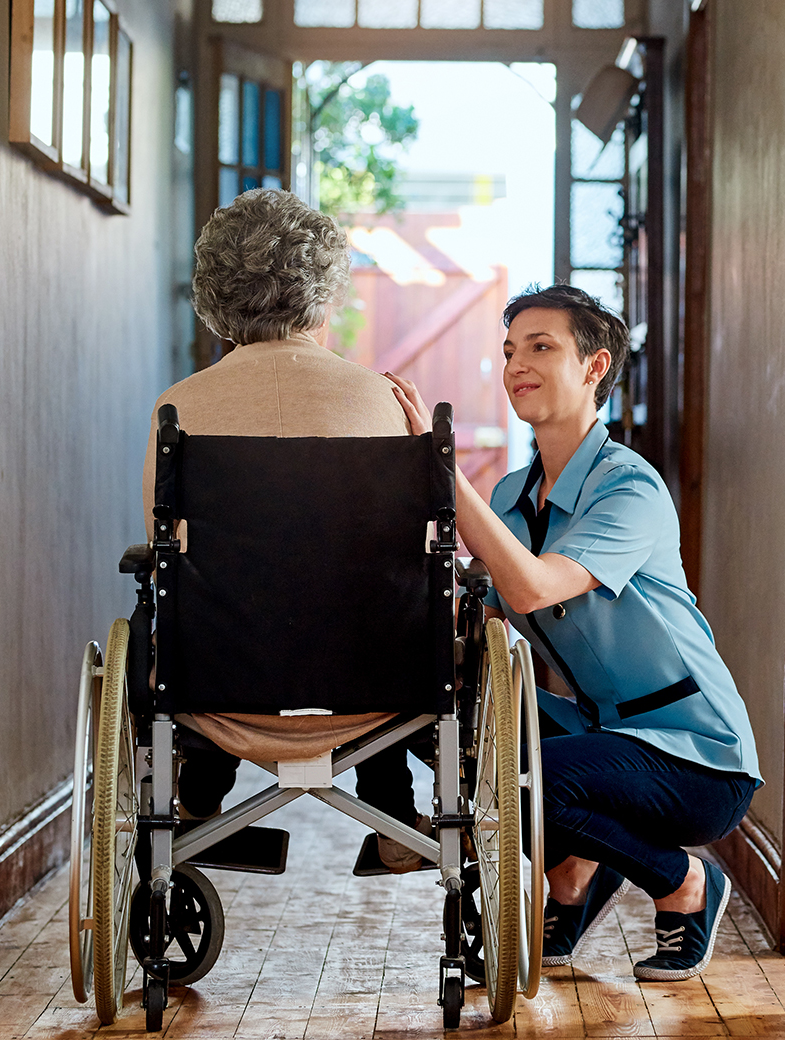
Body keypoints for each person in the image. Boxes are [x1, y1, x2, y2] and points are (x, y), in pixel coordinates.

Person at [389, 284, 761, 981]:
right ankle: (572, 877)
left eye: (540, 347)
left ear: (595, 368)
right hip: (607, 737)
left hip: (697, 758)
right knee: (457, 727)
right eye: (508, 351)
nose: (515, 365)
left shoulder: (630, 490)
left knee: (524, 778)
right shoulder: (510, 497)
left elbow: (531, 585)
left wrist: (439, 468)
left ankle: (685, 883)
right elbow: (493, 620)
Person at [142, 188, 429, 870]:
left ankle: (199, 800)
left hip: (220, 682)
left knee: (199, 601)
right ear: (325, 292)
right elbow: (409, 556)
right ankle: (392, 815)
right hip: (373, 682)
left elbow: (166, 549)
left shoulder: (178, 409)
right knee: (386, 604)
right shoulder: (385, 402)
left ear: (215, 292)